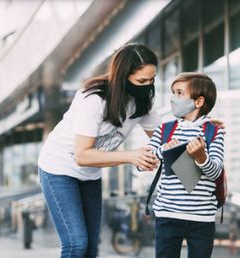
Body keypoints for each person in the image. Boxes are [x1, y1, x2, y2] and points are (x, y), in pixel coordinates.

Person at [37, 43, 161, 258]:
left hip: (90, 174)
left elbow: (164, 140)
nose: (147, 86)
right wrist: (131, 156)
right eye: (141, 81)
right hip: (58, 168)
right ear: (123, 75)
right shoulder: (94, 99)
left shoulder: (143, 102)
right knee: (76, 244)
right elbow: (83, 155)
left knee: (91, 248)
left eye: (152, 80)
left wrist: (198, 122)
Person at [147, 72, 225, 258]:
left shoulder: (214, 132)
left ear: (198, 102)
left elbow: (215, 173)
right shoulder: (164, 129)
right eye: (173, 92)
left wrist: (201, 157)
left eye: (180, 93)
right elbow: (144, 162)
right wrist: (163, 149)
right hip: (167, 215)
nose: (174, 98)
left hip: (202, 218)